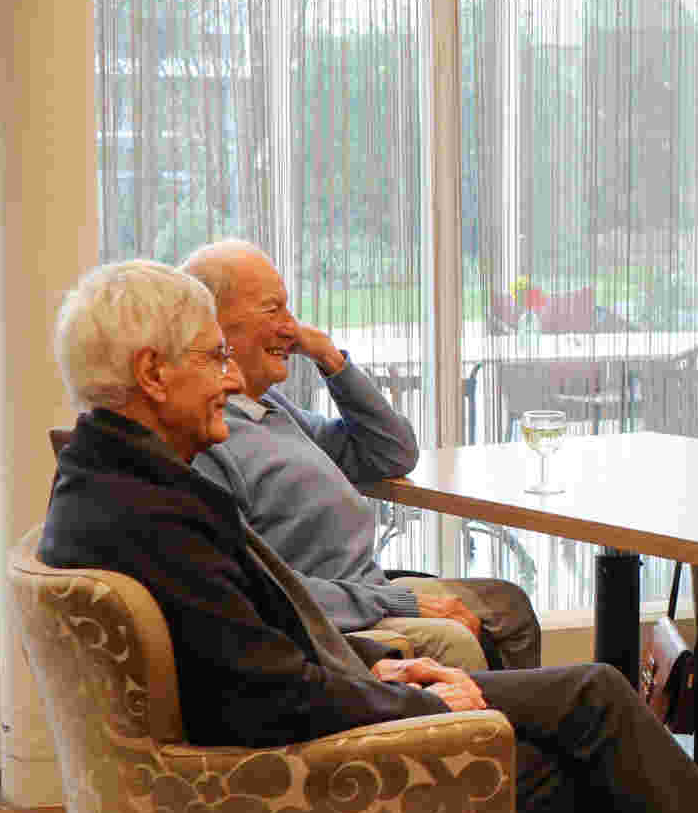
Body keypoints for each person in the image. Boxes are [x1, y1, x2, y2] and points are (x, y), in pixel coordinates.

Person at [38, 260, 698, 813]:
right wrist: (430, 710)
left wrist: (385, 664)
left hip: (300, 727)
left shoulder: (112, 486)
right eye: (214, 357)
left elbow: (255, 652)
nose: (229, 376)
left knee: (590, 711)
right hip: (288, 784)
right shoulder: (155, 513)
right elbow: (268, 695)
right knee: (579, 740)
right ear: (152, 374)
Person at [180, 240, 538, 672]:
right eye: (273, 310)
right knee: (456, 638)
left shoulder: (272, 408)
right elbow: (258, 586)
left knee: (510, 608)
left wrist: (330, 359)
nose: (291, 327)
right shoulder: (207, 435)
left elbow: (391, 453)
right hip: (331, 618)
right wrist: (397, 602)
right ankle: (488, 729)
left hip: (367, 590)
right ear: (213, 325)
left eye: (289, 311)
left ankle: (519, 729)